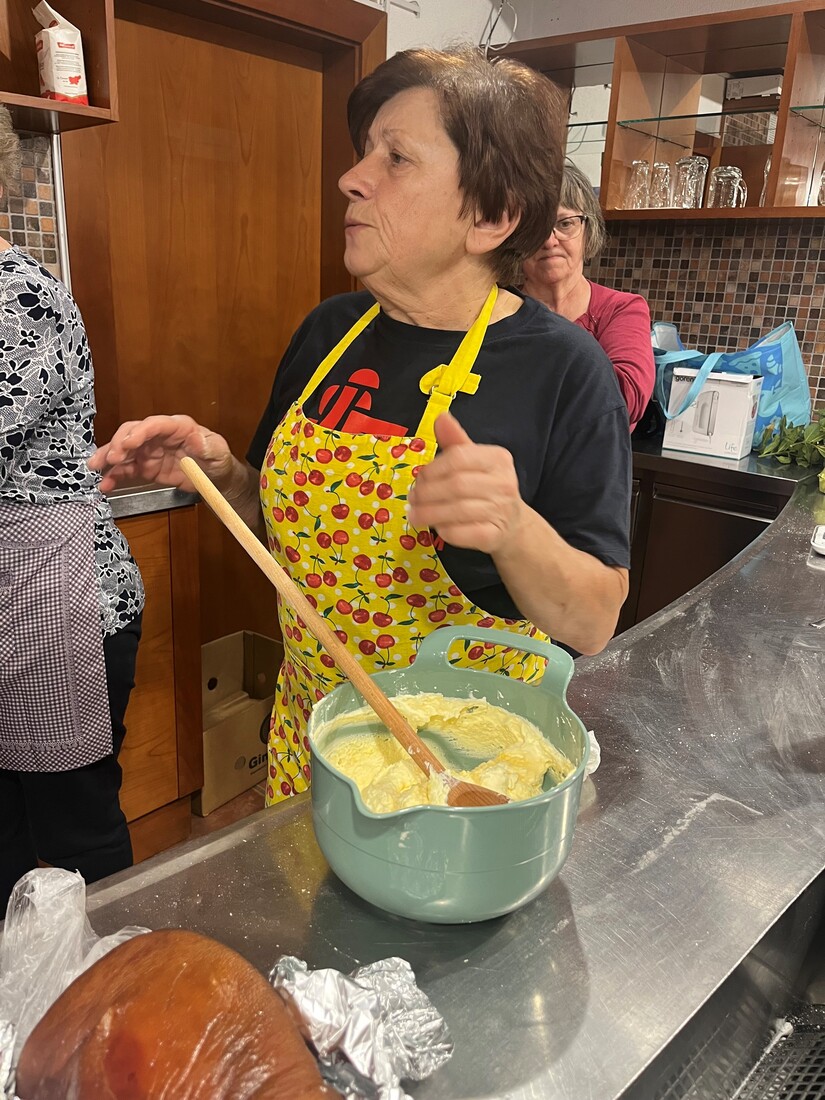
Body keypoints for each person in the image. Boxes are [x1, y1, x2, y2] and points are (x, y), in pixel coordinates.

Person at [90, 47, 632, 807]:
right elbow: (278, 530)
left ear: (490, 217)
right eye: (365, 151)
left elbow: (596, 618)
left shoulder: (564, 369)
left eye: (397, 158)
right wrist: (221, 475)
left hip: (465, 775)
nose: (351, 177)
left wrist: (513, 529)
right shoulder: (330, 332)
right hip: (315, 745)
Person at [0, 106, 144, 911]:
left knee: (73, 835)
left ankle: (105, 981)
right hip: (15, 590)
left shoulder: (21, 299)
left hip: (58, 599)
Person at [522, 163, 656, 431]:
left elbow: (625, 400)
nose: (549, 240)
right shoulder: (491, 307)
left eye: (565, 224)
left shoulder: (621, 309)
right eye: (536, 226)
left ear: (588, 230)